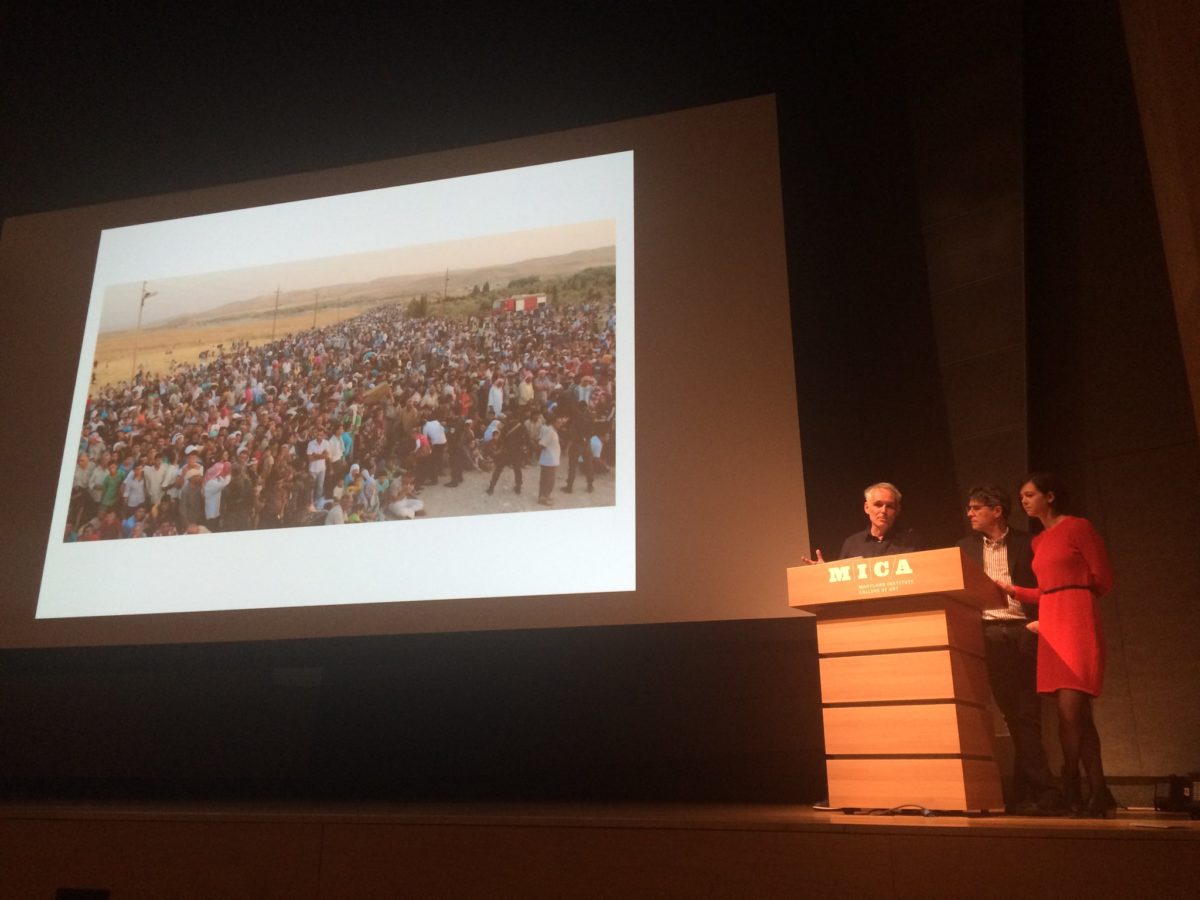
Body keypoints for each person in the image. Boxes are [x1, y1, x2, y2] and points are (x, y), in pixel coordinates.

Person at [995, 473, 1117, 818]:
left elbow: (1103, 578)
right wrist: (1013, 591)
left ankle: (1072, 785)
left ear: (1050, 496)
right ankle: (1099, 790)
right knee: (1078, 714)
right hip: (1052, 621)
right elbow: (1046, 589)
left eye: (1029, 494)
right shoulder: (1038, 541)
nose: (1023, 501)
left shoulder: (1078, 527)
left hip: (1076, 620)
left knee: (1069, 711)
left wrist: (1074, 601)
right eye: (1021, 496)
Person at [958, 484, 1062, 815]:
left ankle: (1037, 791)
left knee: (1026, 715)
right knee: (1014, 716)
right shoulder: (963, 549)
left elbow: (1046, 587)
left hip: (1024, 632)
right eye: (969, 508)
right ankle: (1037, 790)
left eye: (976, 508)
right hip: (985, 636)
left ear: (997, 511)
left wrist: (1042, 620)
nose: (970, 513)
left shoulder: (1028, 543)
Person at [802, 482, 920, 563]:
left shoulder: (910, 541)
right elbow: (842, 582)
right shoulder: (852, 543)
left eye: (889, 506)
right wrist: (824, 572)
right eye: (878, 505)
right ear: (866, 508)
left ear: (897, 510)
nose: (883, 510)